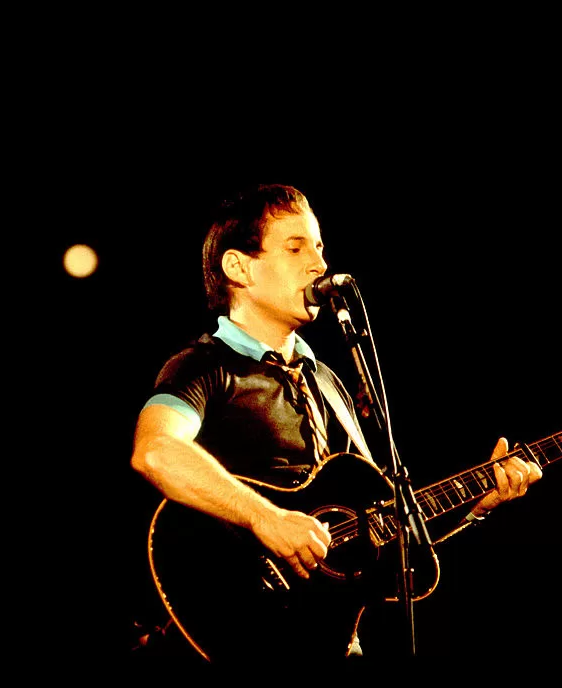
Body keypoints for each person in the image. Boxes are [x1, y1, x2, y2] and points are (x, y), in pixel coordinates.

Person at [129, 183, 543, 662]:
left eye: (319, 247)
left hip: (329, 645)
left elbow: (374, 529)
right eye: (295, 248)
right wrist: (266, 518)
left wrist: (476, 505)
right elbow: (155, 450)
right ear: (239, 268)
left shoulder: (325, 380)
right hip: (231, 635)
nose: (318, 265)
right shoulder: (203, 367)